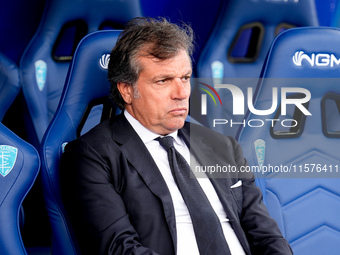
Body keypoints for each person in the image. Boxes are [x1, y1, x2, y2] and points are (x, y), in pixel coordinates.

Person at [60, 17, 293, 255]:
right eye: (163, 81)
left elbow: (268, 237)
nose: (182, 93)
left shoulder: (223, 147)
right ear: (127, 90)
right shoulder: (92, 155)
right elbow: (119, 249)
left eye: (185, 77)